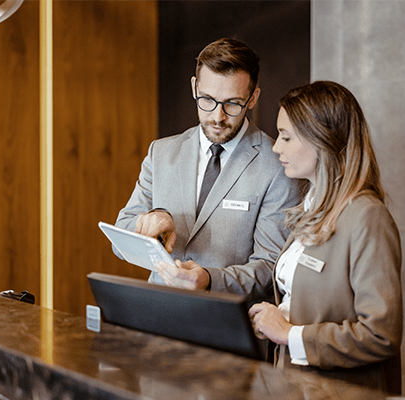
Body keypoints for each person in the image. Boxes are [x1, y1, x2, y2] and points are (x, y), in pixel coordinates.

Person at [115, 38, 301, 301]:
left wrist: (210, 280)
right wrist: (152, 224)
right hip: (158, 316)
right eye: (207, 100)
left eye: (233, 103)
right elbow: (119, 238)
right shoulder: (162, 152)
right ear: (194, 87)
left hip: (226, 328)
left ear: (253, 98)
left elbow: (271, 268)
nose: (217, 116)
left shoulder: (277, 166)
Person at [248, 81, 403, 393]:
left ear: (322, 141)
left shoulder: (367, 218)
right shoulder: (311, 208)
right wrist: (279, 316)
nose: (276, 147)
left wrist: (289, 334)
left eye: (286, 137)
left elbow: (380, 335)